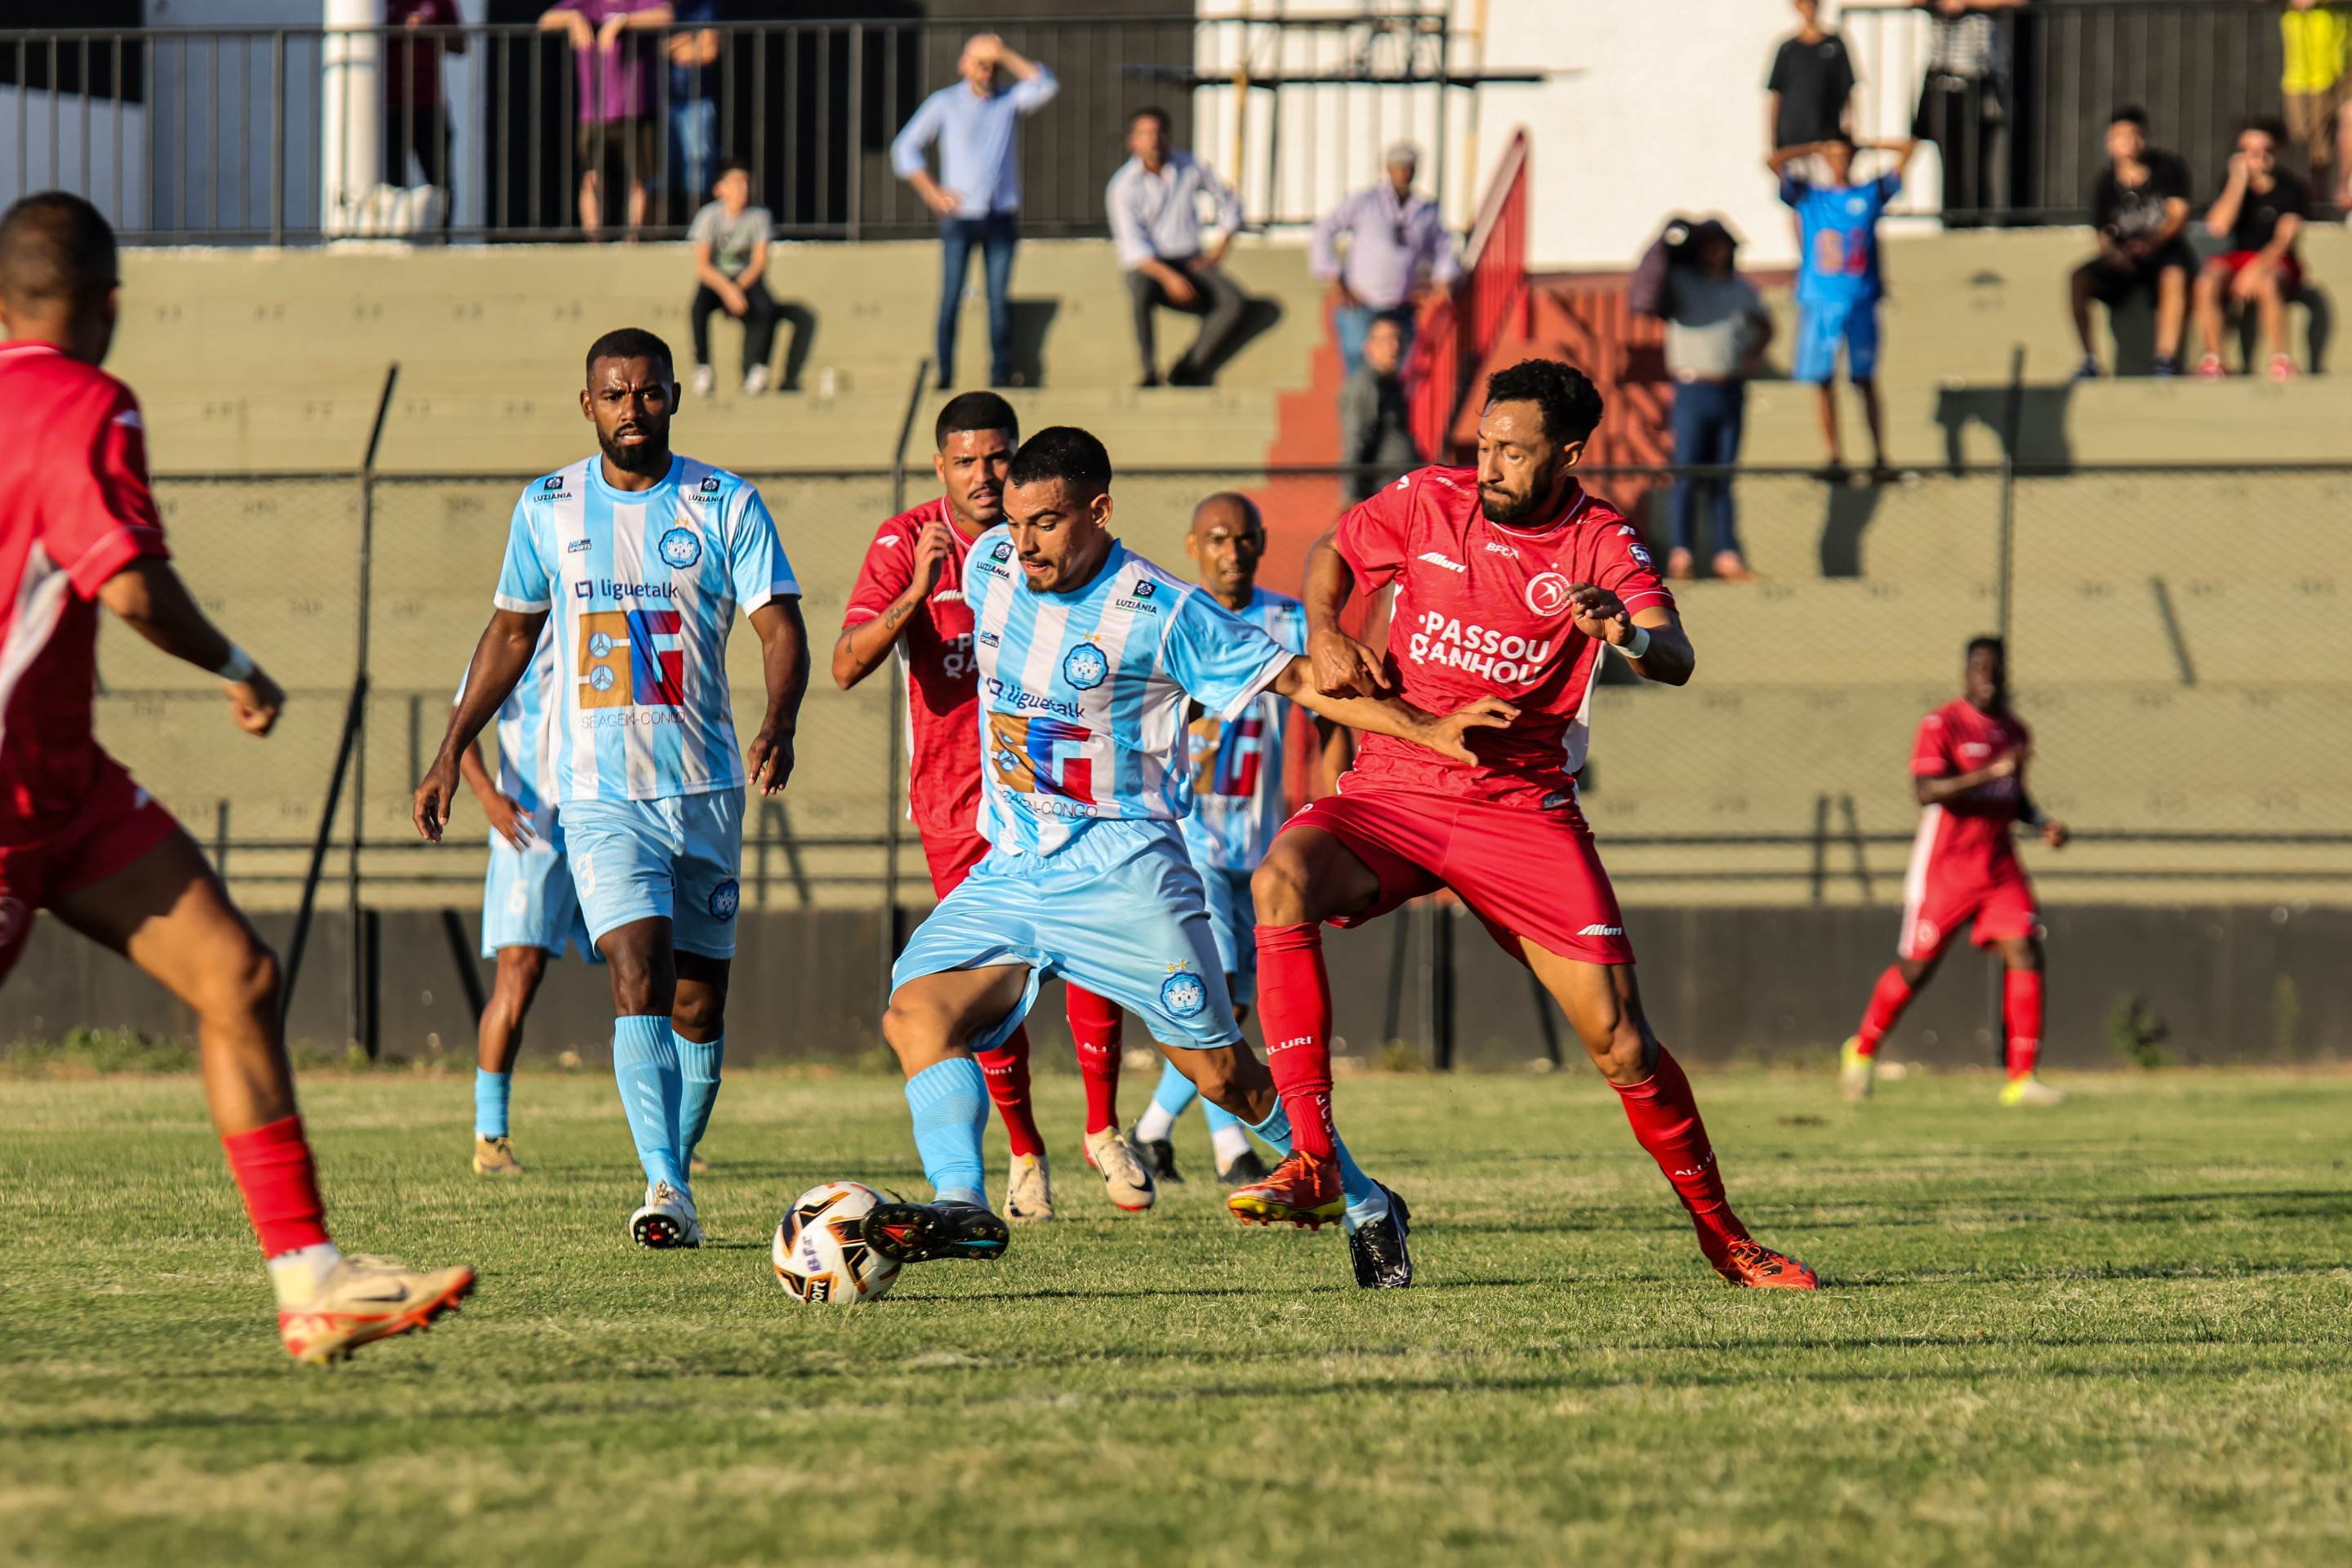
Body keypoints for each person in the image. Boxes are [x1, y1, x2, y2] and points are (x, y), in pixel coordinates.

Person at [857, 426, 1510, 1290]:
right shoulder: (991, 567)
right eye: (1015, 522)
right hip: (1012, 868)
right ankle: (962, 1203)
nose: (1024, 543)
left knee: (1222, 1075)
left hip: (1127, 875)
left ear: (1100, 511)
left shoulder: (1162, 611)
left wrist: (1426, 730)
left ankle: (1364, 1199)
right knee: (915, 1014)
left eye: (1047, 523)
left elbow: (1302, 684)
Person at [0, 191, 475, 1362]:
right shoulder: (86, 403)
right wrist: (237, 662)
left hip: (66, 784)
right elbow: (128, 584)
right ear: (106, 303)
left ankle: (311, 1280)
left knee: (235, 974)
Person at [1238, 359, 1820, 1291]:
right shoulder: (1428, 499)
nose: (1491, 462)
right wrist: (1324, 625)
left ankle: (1727, 1240)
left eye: (1514, 449)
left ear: (1569, 454)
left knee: (1624, 1044)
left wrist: (1623, 634)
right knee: (1279, 881)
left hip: (1519, 813)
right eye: (1484, 442)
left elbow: (1674, 653)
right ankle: (1312, 1158)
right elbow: (1334, 552)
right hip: (1394, 789)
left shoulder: (1600, 540)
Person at [414, 326, 810, 1250]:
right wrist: (450, 751)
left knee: (700, 1006)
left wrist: (779, 717)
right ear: (586, 403)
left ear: (674, 396)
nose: (633, 408)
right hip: (597, 797)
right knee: (637, 975)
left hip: (706, 789)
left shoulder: (724, 503)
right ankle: (666, 1187)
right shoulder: (547, 506)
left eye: (649, 392)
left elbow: (779, 623)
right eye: (614, 393)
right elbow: (510, 635)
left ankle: (680, 1146)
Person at [832, 392, 1151, 1221]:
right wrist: (922, 590)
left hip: (1058, 792)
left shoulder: (1054, 542)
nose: (985, 475)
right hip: (954, 803)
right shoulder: (904, 543)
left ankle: (1102, 1126)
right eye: (966, 461)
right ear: (940, 466)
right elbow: (845, 663)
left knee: (1091, 959)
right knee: (981, 988)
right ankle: (1022, 1150)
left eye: (997, 457)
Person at [1125, 493, 1344, 1190]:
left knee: (1239, 998)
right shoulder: (1178, 617)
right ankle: (1230, 1149)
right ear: (1194, 546)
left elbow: (1331, 702)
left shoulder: (1284, 619)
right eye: (1216, 539)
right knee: (1220, 997)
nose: (1230, 552)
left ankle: (1155, 1131)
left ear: (1261, 542)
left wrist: (1331, 786)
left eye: (1243, 539)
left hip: (1260, 837)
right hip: (1192, 835)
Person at [1841, 636, 2068, 1108]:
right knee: (1918, 968)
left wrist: (2042, 822)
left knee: (2025, 948)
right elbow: (1926, 792)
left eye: (1994, 668)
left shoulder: (2015, 731)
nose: (1987, 675)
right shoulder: (1943, 723)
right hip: (1946, 867)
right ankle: (1861, 1051)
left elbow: (2015, 794)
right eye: (1978, 667)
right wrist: (1987, 772)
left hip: (1999, 865)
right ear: (1965, 673)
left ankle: (2021, 1079)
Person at [455, 623, 600, 1177]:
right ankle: (490, 1137)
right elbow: (461, 723)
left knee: (652, 967)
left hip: (606, 824)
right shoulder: (517, 628)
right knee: (519, 974)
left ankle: (673, 1138)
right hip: (531, 834)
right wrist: (489, 796)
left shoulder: (603, 609)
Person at [890, 33, 1058, 390]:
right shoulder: (946, 102)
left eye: (993, 66)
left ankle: (1001, 372)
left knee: (998, 300)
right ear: (964, 66)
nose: (988, 71)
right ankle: (945, 373)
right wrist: (933, 192)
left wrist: (1005, 52)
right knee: (951, 297)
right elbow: (904, 148)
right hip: (960, 219)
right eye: (981, 64)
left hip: (1000, 216)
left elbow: (1045, 85)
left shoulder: (1007, 101)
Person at [1769, 134, 1917, 477]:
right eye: (1832, 156)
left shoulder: (1869, 193)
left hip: (1861, 301)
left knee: (1864, 378)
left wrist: (1866, 144)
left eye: (1844, 155)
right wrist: (1813, 147)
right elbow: (1773, 161)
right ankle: (1834, 455)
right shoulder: (1810, 196)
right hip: (1820, 302)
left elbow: (1910, 148)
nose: (1839, 161)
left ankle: (1879, 456)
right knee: (1822, 379)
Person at [1659, 217, 1772, 581]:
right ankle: (1683, 554)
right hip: (1692, 388)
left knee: (1723, 476)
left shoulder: (1742, 288)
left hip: (1730, 388)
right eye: (1709, 246)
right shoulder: (1680, 284)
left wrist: (1750, 358)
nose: (1716, 253)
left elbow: (1767, 326)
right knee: (1688, 474)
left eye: (1722, 246)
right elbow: (1647, 285)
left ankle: (1727, 555)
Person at [1107, 108, 1248, 388]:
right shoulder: (1122, 186)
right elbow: (1134, 250)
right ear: (1132, 142)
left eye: (1159, 132)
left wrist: (1221, 248)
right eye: (1145, 134)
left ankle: (1188, 367)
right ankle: (1148, 371)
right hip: (1153, 267)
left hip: (1191, 260)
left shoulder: (1190, 165)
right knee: (1137, 286)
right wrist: (1170, 278)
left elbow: (1229, 201)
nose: (1154, 140)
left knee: (1234, 300)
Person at [1308, 142, 1459, 378]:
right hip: (1360, 303)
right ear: (1388, 169)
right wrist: (1332, 274)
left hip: (1402, 306)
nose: (1403, 173)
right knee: (1360, 371)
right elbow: (1324, 230)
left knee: (1401, 372)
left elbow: (1443, 246)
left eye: (1408, 168)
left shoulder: (1425, 210)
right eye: (1398, 167)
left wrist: (1443, 279)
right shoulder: (1365, 202)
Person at [2069, 107, 2194, 379]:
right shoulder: (2105, 182)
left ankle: (2165, 359)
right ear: (2109, 142)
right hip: (2125, 258)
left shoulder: (2168, 168)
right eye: (2121, 136)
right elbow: (2102, 232)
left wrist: (2153, 242)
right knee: (2078, 278)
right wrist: (2115, 255)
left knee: (2174, 274)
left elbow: (2177, 216)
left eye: (2135, 135)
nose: (2129, 143)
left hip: (2164, 251)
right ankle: (2090, 361)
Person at [540, 1, 670, 237]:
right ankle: (595, 239)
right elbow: (545, 21)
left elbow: (666, 15)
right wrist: (572, 19)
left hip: (637, 108)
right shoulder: (584, 4)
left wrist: (624, 22)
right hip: (594, 112)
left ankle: (634, 239)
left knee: (639, 180)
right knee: (593, 177)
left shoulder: (639, 3)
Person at [2193, 119, 2310, 382]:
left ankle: (2282, 360)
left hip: (2276, 260)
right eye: (2250, 150)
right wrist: (2238, 181)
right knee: (2206, 281)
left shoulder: (2292, 187)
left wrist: (2256, 270)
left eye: (2266, 150)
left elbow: (2284, 240)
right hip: (2239, 257)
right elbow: (2219, 227)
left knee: (2268, 283)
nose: (2259, 157)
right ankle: (2215, 360)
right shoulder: (2234, 183)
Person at [1911, 0, 2025, 221]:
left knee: (1979, 156)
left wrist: (1968, 3)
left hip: (1981, 81)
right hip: (1944, 82)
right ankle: (1954, 217)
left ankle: (1978, 218)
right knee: (1949, 157)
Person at [687, 158, 779, 397]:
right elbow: (704, 267)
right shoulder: (709, 216)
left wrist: (738, 288)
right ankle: (703, 368)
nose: (744, 189)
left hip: (746, 280)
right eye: (737, 183)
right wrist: (728, 291)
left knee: (767, 307)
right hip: (718, 280)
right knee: (697, 307)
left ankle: (758, 369)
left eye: (747, 183)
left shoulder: (760, 216)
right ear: (720, 189)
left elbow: (759, 262)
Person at [385, 0, 463, 223]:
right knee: (393, 185)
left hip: (430, 105)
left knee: (440, 181)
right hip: (390, 108)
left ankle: (442, 239)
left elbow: (461, 44)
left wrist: (426, 31)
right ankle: (396, 238)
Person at [1340, 314, 1422, 503]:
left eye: (1399, 339)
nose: (1395, 346)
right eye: (1387, 340)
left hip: (1399, 489)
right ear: (1369, 346)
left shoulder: (1392, 383)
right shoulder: (1365, 385)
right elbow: (1355, 440)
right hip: (1380, 494)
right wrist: (1351, 496)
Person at [2279, 0, 2352, 208]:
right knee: (2307, 139)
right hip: (2301, 72)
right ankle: (2313, 200)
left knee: (2349, 119)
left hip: (2343, 64)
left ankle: (2344, 190)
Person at [1765, 0, 1858, 155]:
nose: (1809, 6)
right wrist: (1773, 139)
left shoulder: (1835, 45)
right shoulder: (1788, 49)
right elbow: (1776, 94)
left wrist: (1850, 130)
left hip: (1826, 140)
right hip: (1791, 140)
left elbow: (1848, 89)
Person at [664, 0, 722, 225]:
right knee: (657, 168)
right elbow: (647, 49)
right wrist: (688, 41)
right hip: (655, 100)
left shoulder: (702, 7)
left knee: (698, 160)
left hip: (696, 99)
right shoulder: (649, 5)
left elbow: (708, 50)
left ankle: (695, 227)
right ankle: (656, 230)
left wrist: (670, 47)